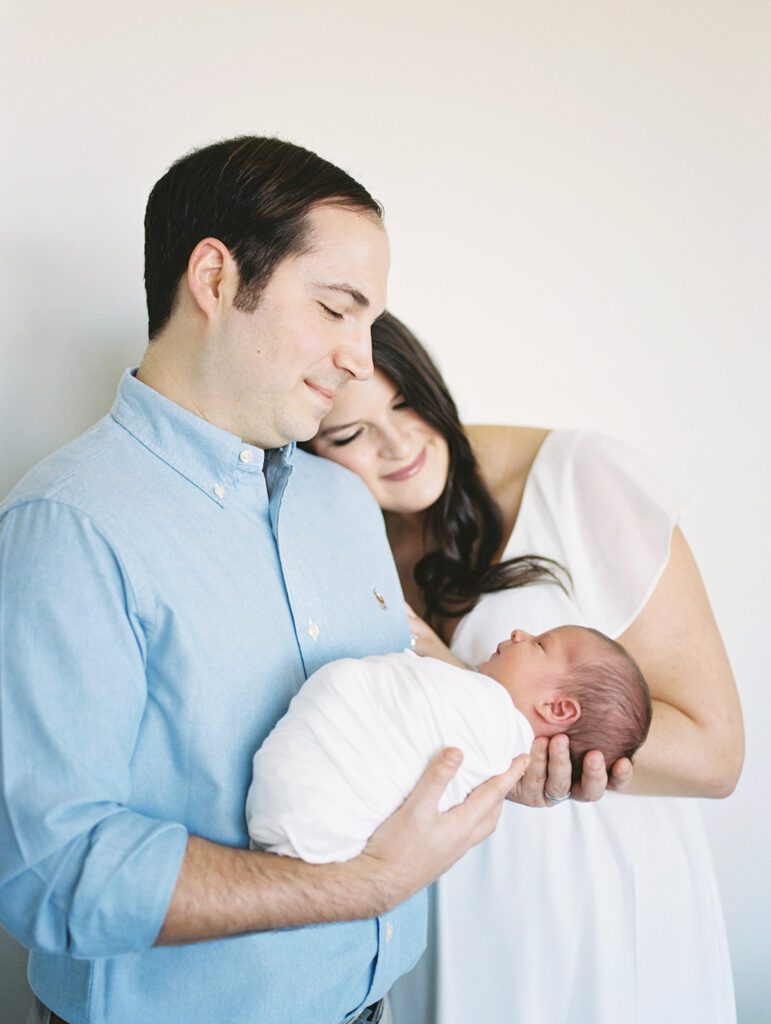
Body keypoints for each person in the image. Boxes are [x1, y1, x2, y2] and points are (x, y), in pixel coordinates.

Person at [0, 137, 539, 1024]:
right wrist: (356, 887)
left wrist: (505, 746)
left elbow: (398, 706)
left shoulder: (343, 504)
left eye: (369, 323)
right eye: (335, 309)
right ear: (214, 280)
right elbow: (51, 870)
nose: (362, 360)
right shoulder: (68, 525)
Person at [308, 311, 744, 1024]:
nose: (398, 446)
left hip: (591, 910)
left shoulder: (580, 479)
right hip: (438, 911)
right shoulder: (334, 534)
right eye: (350, 435)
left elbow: (714, 754)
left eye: (406, 403)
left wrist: (492, 711)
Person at [247, 625, 652, 862]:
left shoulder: (488, 728)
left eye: (540, 644)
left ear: (556, 708)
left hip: (313, 801)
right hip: (309, 827)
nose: (519, 633)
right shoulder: (489, 750)